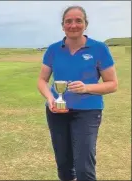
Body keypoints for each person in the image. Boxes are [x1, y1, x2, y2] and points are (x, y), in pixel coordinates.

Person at [37, 5, 118, 181]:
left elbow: (112, 84)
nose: (73, 25)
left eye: (78, 20)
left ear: (85, 24)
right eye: (68, 21)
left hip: (88, 112)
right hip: (57, 112)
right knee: (64, 165)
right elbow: (42, 80)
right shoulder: (53, 49)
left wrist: (86, 88)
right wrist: (51, 98)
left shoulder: (99, 49)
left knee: (84, 167)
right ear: (63, 25)